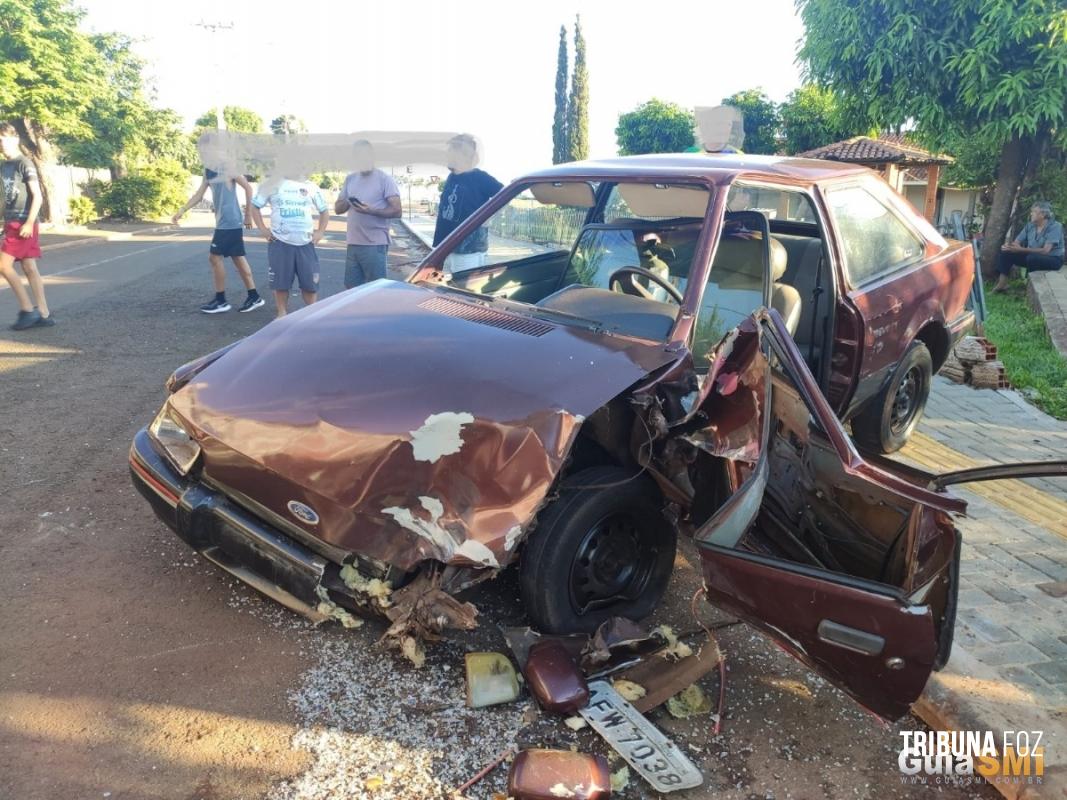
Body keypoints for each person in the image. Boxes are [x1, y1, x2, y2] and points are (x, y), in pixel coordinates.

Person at [172, 168, 264, 313]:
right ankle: (254, 296)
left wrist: (248, 215)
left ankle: (221, 301)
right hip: (223, 221)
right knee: (237, 257)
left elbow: (248, 187)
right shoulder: (208, 171)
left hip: (230, 220)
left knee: (214, 257)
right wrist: (182, 210)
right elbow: (199, 195)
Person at [250, 176, 329, 318]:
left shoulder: (311, 186)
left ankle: (311, 316)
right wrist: (263, 229)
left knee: (310, 284)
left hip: (306, 244)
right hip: (280, 243)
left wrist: (320, 232)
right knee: (280, 283)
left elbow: (324, 210)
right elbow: (255, 206)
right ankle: (282, 313)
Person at [1, 122, 53, 330]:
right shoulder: (3, 166)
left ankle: (27, 310)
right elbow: (4, 198)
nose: (1, 144)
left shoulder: (25, 162)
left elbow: (37, 196)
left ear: (14, 139)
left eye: (3, 139)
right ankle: (43, 313)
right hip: (12, 221)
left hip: (24, 222)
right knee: (29, 267)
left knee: (3, 266)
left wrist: (30, 222)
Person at [335, 140, 402, 288]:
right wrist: (349, 201)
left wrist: (371, 211)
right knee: (351, 289)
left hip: (375, 244)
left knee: (375, 289)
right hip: (353, 242)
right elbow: (337, 209)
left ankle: (377, 312)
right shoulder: (350, 179)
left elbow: (397, 211)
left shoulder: (385, 179)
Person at [432, 134, 503, 272]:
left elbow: (504, 196)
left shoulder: (479, 177)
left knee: (464, 290)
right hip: (451, 247)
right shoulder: (453, 177)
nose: (446, 155)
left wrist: (487, 218)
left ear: (461, 155)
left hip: (468, 248)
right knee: (455, 289)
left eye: (450, 152)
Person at [994, 201, 1064, 292]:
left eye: (1034, 212)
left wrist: (1021, 249)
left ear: (1043, 215)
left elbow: (1046, 251)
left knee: (1032, 258)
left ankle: (1028, 289)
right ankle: (1001, 285)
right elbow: (1017, 242)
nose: (1031, 214)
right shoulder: (1030, 226)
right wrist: (1009, 247)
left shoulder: (1055, 227)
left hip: (1053, 259)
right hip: (1031, 256)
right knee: (1006, 253)